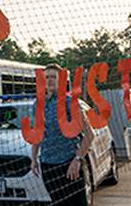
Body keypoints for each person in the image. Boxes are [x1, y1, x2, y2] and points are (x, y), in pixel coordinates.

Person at [30, 64, 95, 206]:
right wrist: (34, 158)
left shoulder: (70, 102)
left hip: (69, 164)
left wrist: (77, 159)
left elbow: (89, 135)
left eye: (53, 77)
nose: (49, 80)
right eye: (46, 77)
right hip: (48, 166)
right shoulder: (38, 104)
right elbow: (37, 134)